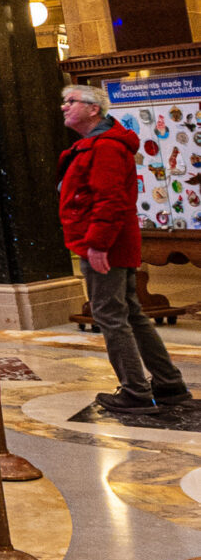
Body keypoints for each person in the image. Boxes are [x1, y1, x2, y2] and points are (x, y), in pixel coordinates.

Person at [58, 82, 193, 413]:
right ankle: (168, 383)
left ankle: (134, 391)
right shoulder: (99, 144)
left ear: (94, 109)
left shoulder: (104, 147)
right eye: (64, 101)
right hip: (112, 241)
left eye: (71, 101)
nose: (64, 106)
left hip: (106, 243)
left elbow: (110, 200)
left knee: (109, 314)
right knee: (130, 312)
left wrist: (98, 245)